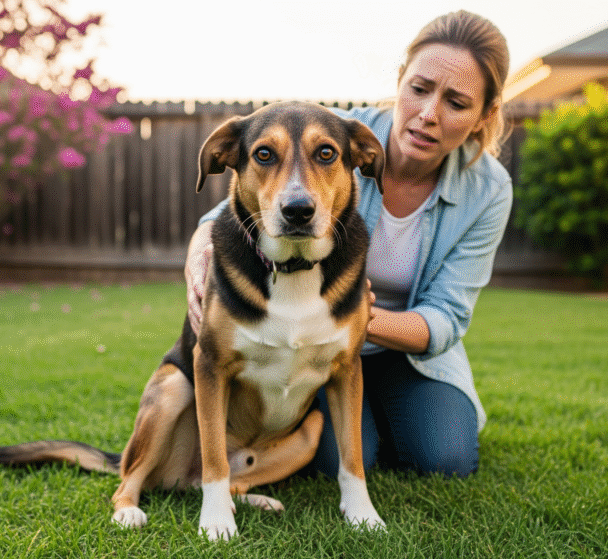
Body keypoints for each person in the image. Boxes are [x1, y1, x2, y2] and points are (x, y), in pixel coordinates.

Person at [186, 10, 512, 478]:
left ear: (485, 114)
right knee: (326, 458)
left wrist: (351, 318)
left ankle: (384, 412)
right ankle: (360, 428)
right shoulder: (330, 136)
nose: (428, 115)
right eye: (419, 89)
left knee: (446, 461)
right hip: (310, 348)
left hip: (404, 353)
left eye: (457, 103)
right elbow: (234, 208)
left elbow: (447, 317)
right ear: (400, 81)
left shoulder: (489, 190)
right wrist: (197, 257)